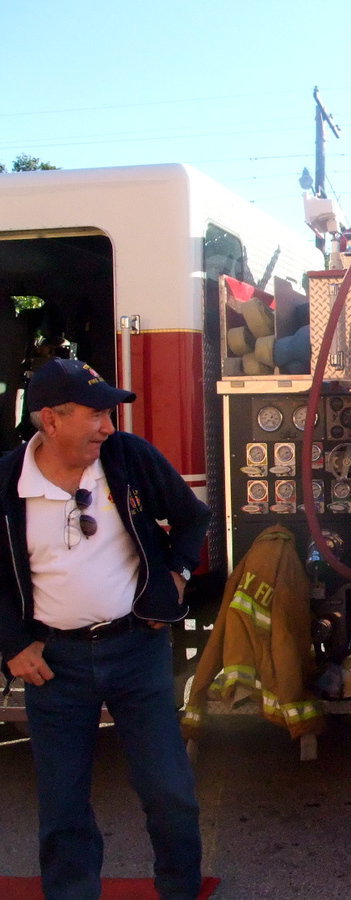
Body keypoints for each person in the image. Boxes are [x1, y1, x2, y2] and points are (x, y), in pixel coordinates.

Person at [0, 358, 211, 900]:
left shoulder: (128, 459)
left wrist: (177, 577)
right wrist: (13, 645)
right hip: (55, 666)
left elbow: (192, 517)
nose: (109, 427)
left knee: (169, 791)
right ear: (50, 419)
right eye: (96, 415)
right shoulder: (6, 482)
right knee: (63, 804)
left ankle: (180, 890)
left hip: (136, 650)